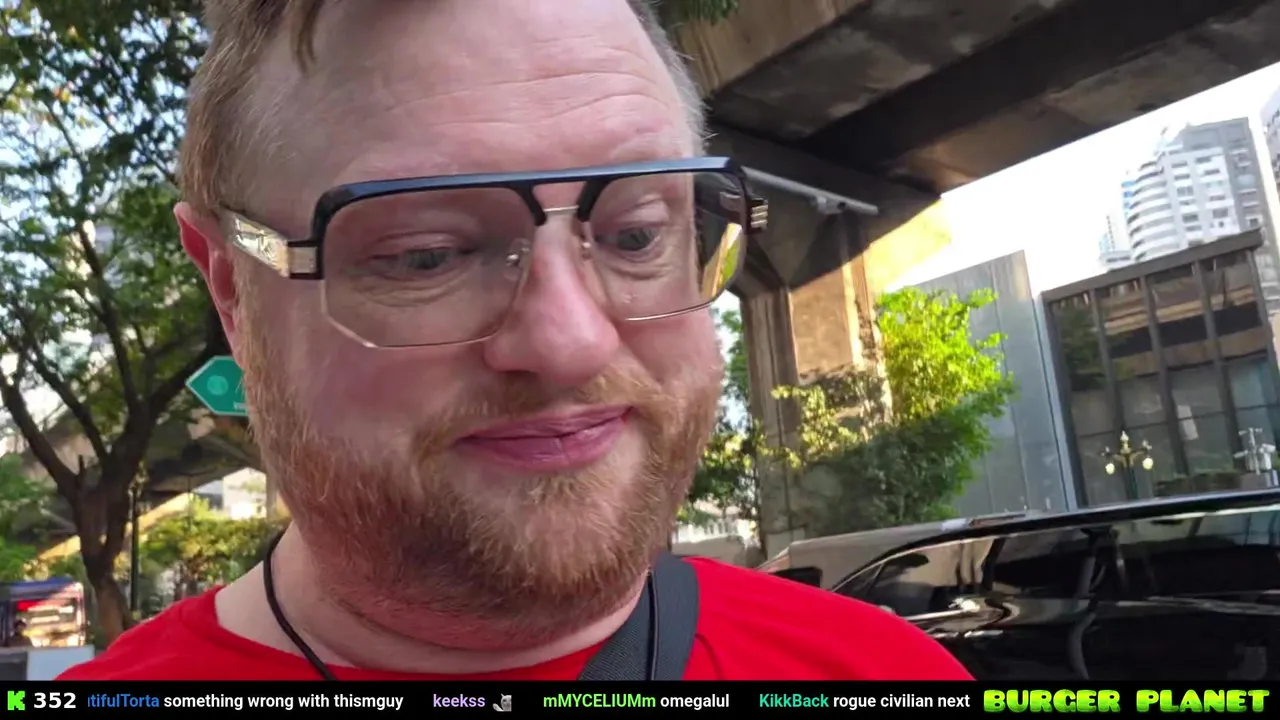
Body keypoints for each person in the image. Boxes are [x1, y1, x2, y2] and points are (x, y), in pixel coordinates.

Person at [60, 0, 971, 681]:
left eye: (636, 235)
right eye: (425, 255)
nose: (571, 342)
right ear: (230, 285)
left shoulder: (885, 671)